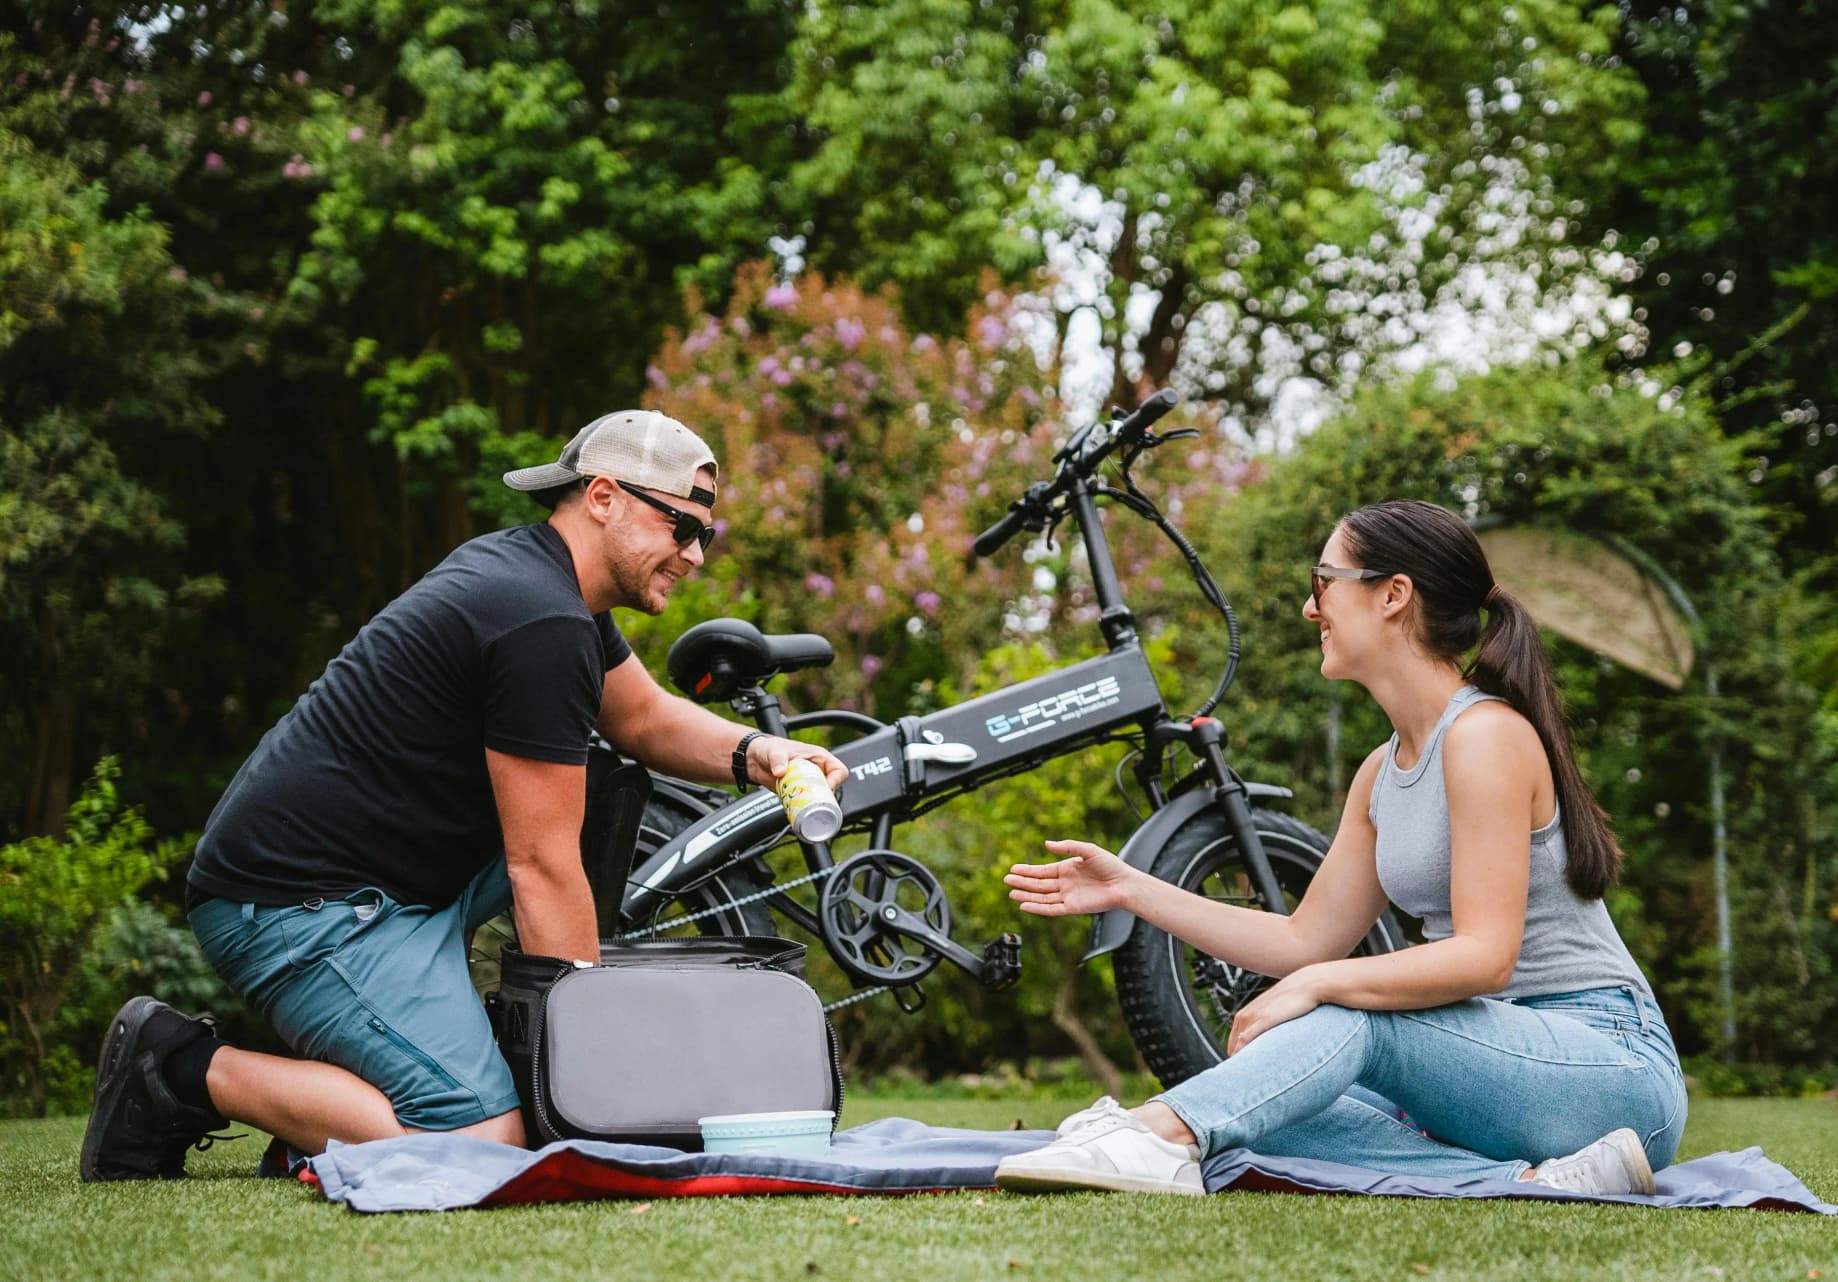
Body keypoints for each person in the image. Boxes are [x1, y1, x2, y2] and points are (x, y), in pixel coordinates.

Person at [81, 410, 848, 1182]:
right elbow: (541, 867)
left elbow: (643, 717)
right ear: (603, 497)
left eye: (704, 536)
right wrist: (593, 1064)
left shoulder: (552, 591)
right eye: (680, 526)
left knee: (598, 795)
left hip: (401, 889)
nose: (694, 555)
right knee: (488, 1142)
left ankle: (351, 1104)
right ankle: (176, 1067)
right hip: (299, 906)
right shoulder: (538, 618)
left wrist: (760, 753)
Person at [995, 499, 1686, 1197]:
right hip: (1487, 1070)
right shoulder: (1380, 774)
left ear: (1393, 595)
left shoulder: (1485, 736)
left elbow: (1486, 956)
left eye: (1323, 582)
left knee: (1348, 1018)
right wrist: (1131, 889)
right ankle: (1535, 1179)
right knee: (1267, 1094)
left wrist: (1319, 984)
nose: (1309, 608)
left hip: (1609, 1067)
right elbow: (1303, 939)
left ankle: (1155, 1135)